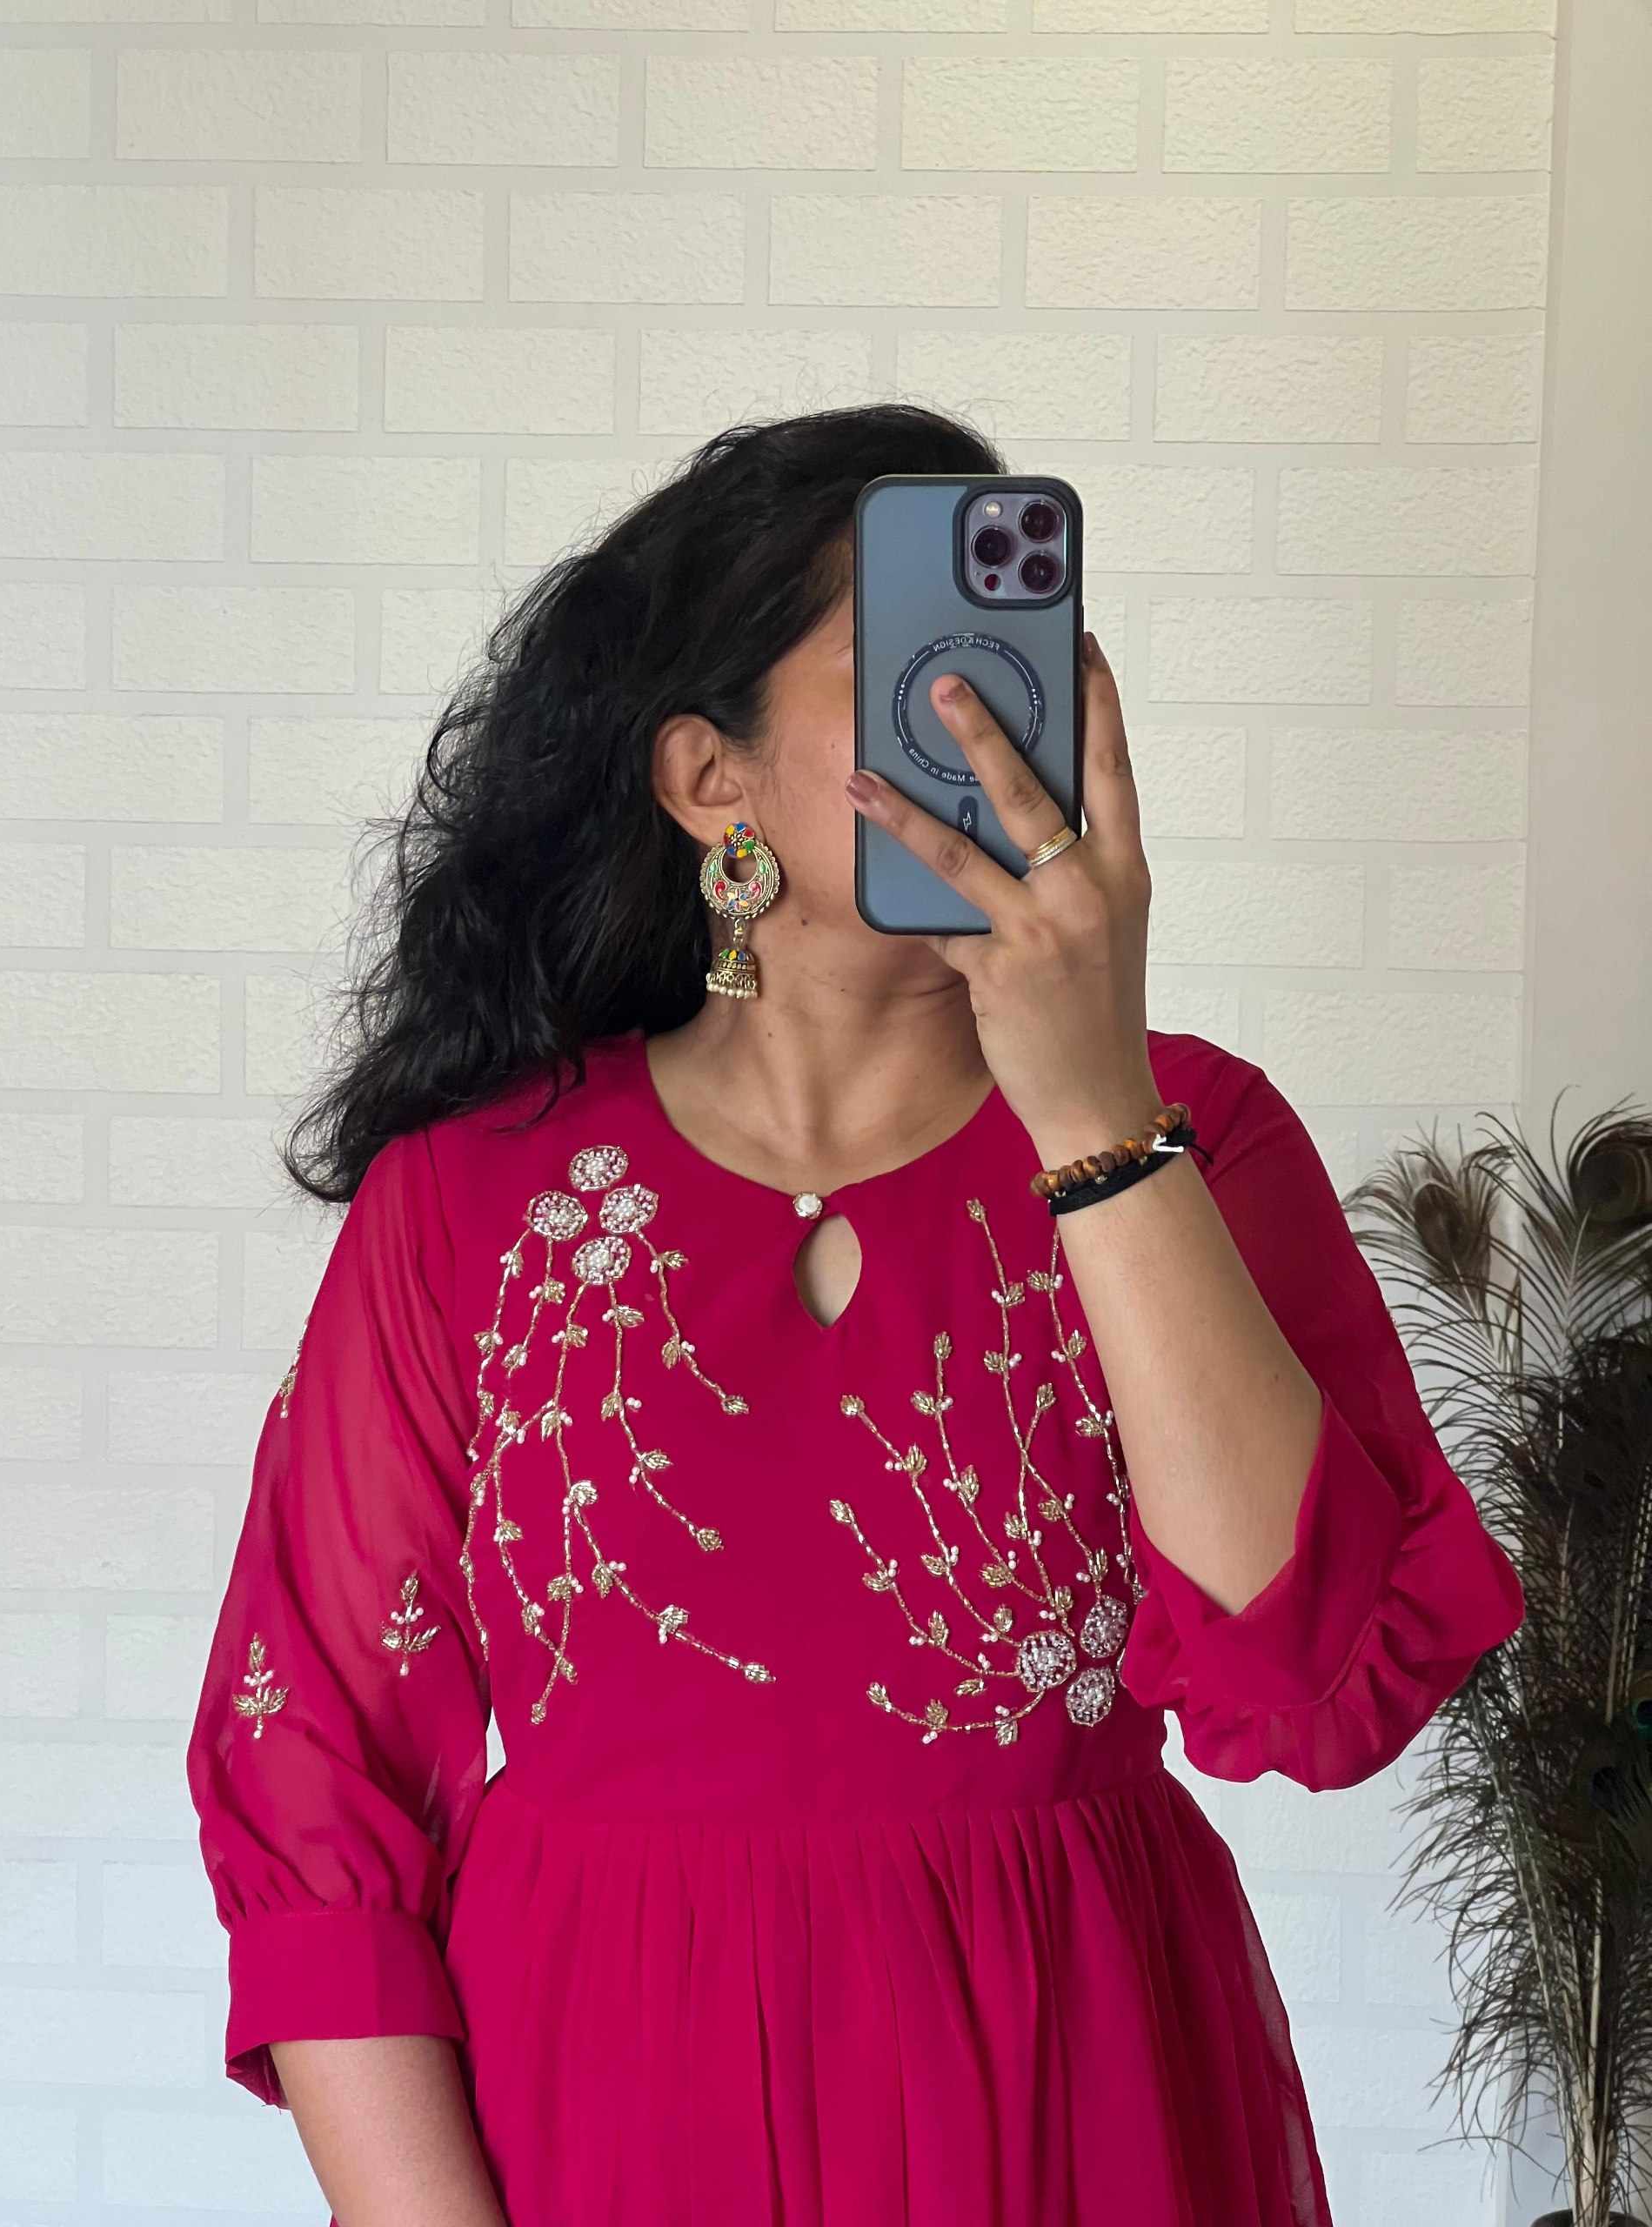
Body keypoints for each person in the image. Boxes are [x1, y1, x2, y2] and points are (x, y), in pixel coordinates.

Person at [183, 402, 1525, 2227]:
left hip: (1080, 2115)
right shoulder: (470, 1200)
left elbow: (1312, 1686)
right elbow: (313, 1775)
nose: (985, 721)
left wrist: (1092, 1113)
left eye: (1019, 661)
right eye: (913, 667)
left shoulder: (1194, 1132)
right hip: (606, 2120)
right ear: (706, 778)